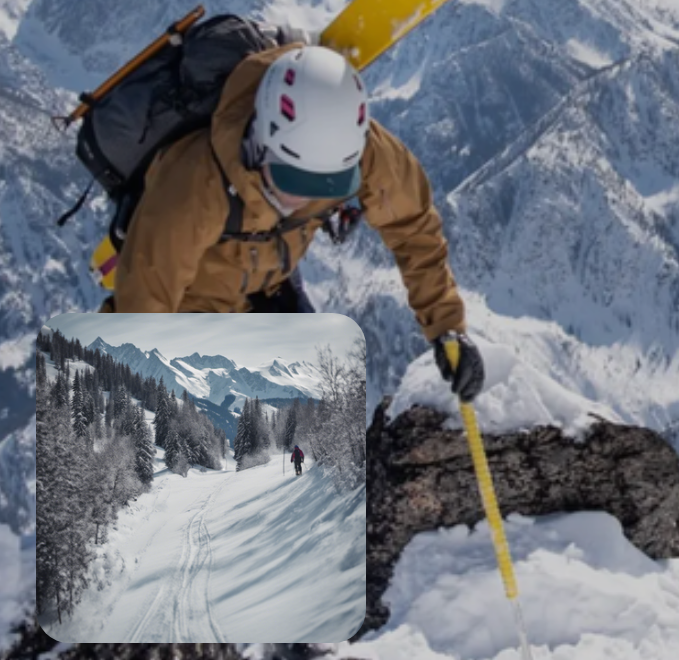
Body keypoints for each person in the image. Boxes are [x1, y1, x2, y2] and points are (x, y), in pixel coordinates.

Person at [100, 42, 486, 398]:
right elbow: (145, 304)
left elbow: (413, 228)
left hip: (271, 281)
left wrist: (447, 327)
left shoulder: (357, 147)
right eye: (293, 179)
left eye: (327, 184)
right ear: (259, 143)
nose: (303, 199)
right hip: (194, 307)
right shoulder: (193, 185)